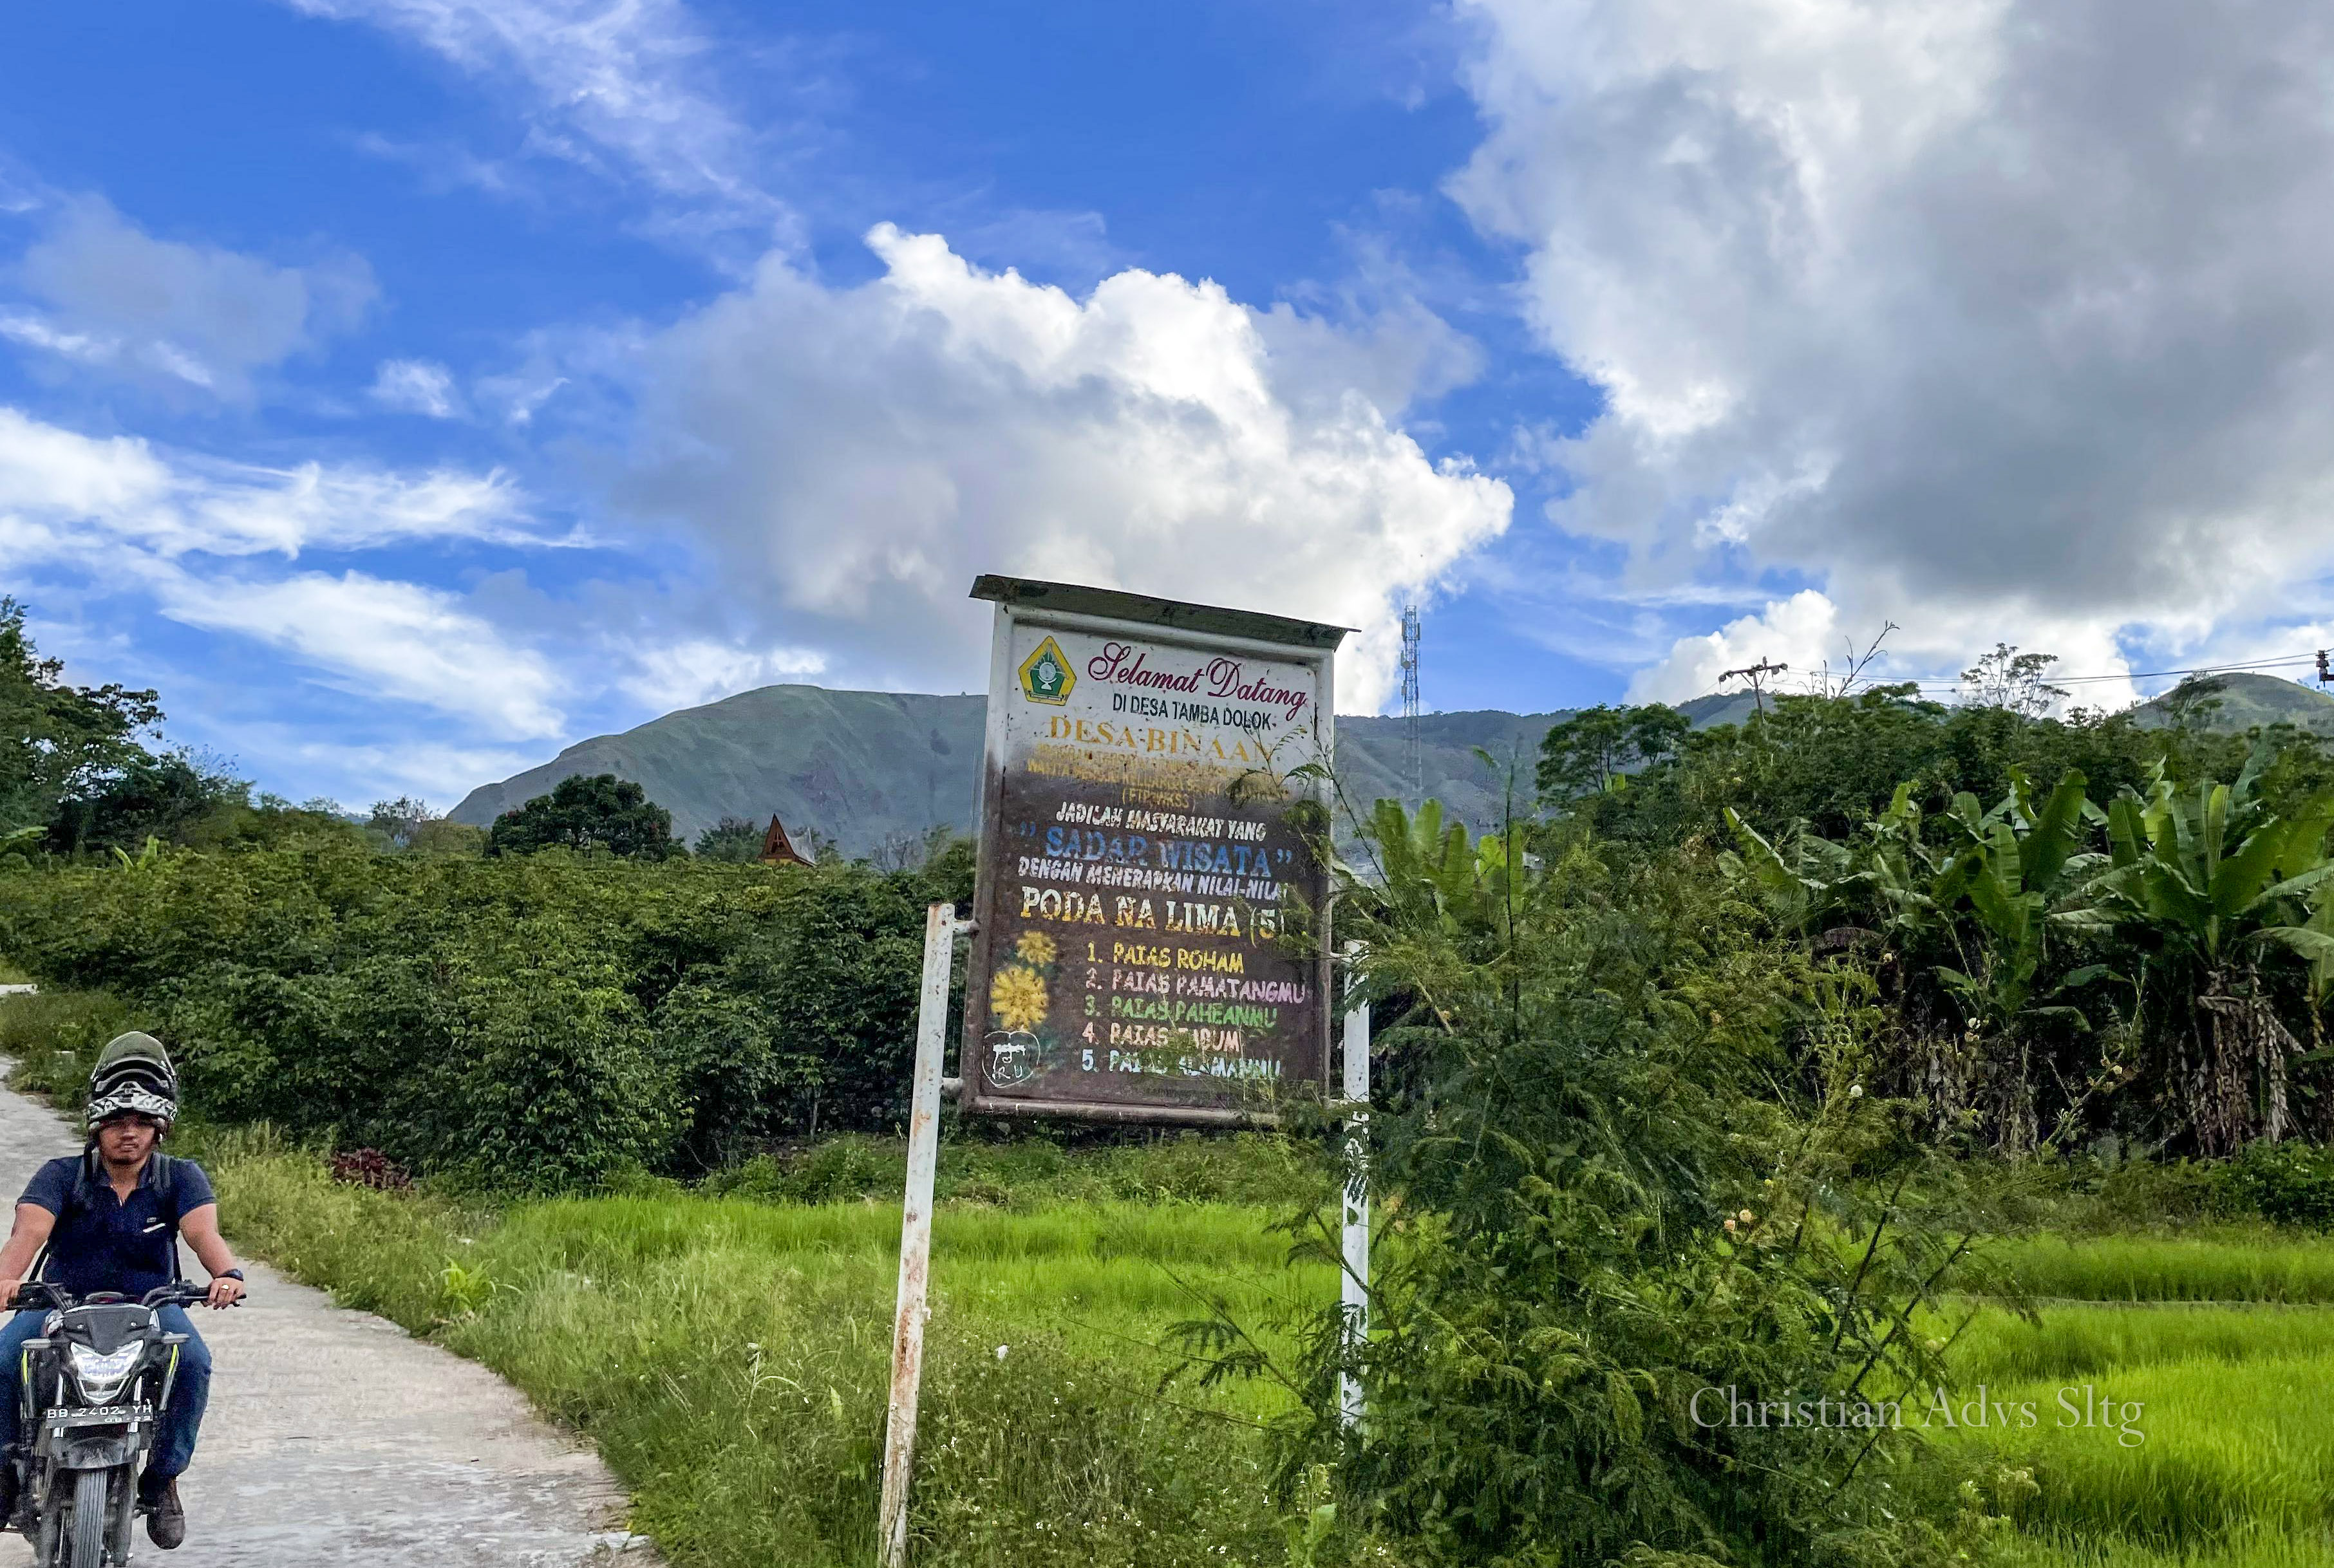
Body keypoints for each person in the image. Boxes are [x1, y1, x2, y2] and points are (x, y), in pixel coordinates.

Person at [0, 1032, 245, 1551]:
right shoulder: (61, 1176)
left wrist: (226, 1274)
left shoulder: (181, 1178)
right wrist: (7, 1280)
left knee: (193, 1364)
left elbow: (203, 1233)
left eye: (141, 1122)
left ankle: (163, 1480)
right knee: (4, 1359)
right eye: (116, 1122)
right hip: (59, 1302)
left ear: (160, 1128)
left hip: (151, 1306)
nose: (128, 1133)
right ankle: (4, 1471)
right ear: (97, 1127)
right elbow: (28, 1233)